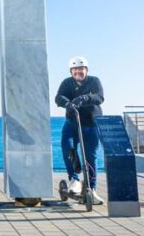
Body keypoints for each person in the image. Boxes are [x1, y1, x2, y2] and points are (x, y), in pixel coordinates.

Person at [55, 55, 105, 205]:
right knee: (67, 146)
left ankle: (92, 188)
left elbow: (100, 97)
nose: (78, 72)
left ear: (86, 70)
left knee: (91, 156)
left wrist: (84, 98)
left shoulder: (94, 81)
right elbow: (59, 97)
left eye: (81, 69)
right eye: (75, 69)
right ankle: (74, 179)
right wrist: (67, 103)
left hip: (91, 123)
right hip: (72, 122)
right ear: (71, 71)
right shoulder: (67, 83)